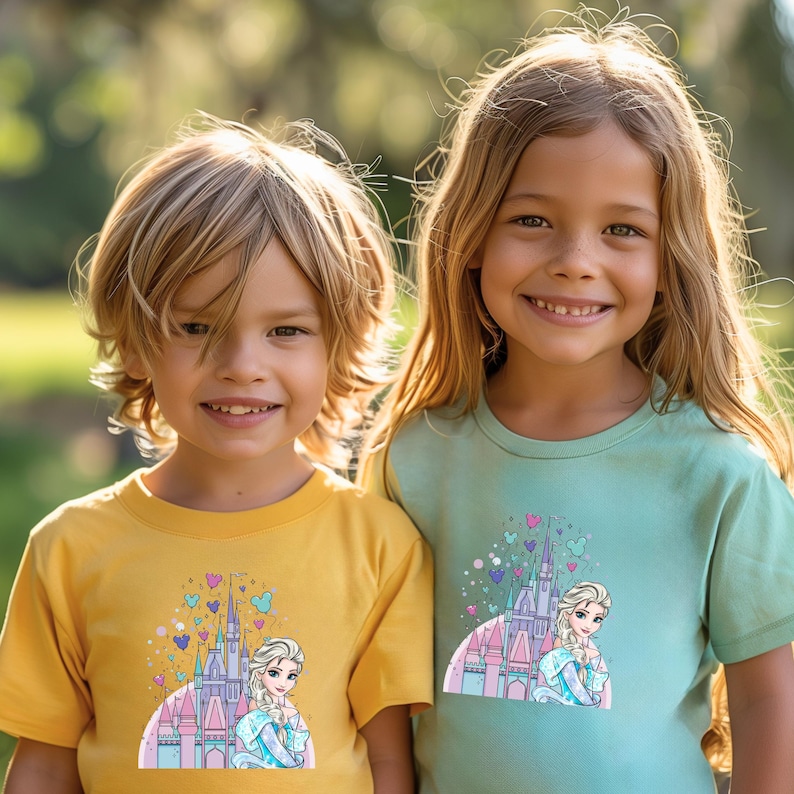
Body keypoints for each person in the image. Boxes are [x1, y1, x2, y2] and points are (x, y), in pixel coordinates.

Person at [362, 6, 794, 793]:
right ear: (470, 235)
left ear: (673, 258)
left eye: (623, 231)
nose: (575, 261)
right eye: (532, 220)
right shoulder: (413, 461)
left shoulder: (723, 476)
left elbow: (772, 700)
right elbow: (380, 702)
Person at [0, 114, 432, 793]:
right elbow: (45, 765)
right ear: (136, 337)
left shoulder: (380, 546)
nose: (241, 365)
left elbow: (389, 763)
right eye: (197, 326)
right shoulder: (70, 550)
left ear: (337, 343)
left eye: (286, 330)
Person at [232, 637, 310, 768]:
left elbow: (290, 751)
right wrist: (294, 768)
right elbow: (274, 747)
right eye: (274, 673)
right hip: (269, 770)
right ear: (258, 673)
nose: (283, 683)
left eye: (291, 676)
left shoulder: (291, 712)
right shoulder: (257, 705)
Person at [531, 581, 611, 707]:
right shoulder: (562, 644)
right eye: (581, 615)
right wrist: (590, 706)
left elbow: (588, 690)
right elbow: (573, 684)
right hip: (567, 706)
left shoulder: (594, 653)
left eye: (597, 619)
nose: (588, 625)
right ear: (567, 613)